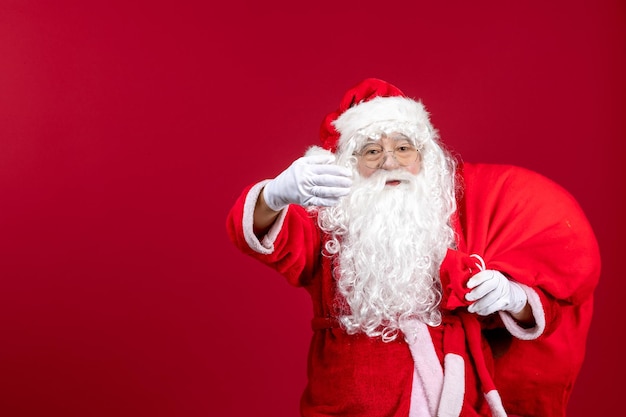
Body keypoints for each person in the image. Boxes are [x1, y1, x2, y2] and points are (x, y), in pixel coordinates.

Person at [226, 78, 601, 417]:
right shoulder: (328, 225)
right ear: (350, 165)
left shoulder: (453, 221)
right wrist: (273, 195)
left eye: (403, 147)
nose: (390, 161)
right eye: (371, 151)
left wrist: (512, 297)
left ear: (425, 159)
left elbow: (531, 308)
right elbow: (260, 237)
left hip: (457, 404)